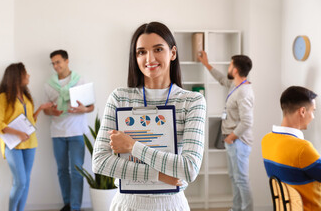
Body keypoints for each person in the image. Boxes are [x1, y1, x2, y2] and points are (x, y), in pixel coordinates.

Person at [92, 22, 206, 211]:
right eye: (141, 52)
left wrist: (131, 145)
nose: (149, 58)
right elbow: (100, 162)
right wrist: (159, 175)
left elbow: (189, 168)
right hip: (127, 204)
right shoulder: (120, 98)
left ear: (173, 53)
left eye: (158, 49)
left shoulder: (192, 101)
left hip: (171, 205)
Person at [198, 51, 254, 211]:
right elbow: (222, 79)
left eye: (230, 65)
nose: (228, 68)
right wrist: (206, 63)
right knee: (235, 178)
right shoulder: (236, 85)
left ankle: (247, 209)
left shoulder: (244, 91)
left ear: (235, 70)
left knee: (241, 179)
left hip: (239, 142)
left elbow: (247, 121)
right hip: (233, 141)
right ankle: (237, 208)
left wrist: (231, 137)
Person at [0, 62, 53, 211]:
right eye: (26, 73)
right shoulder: (2, 98)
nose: (28, 75)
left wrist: (40, 109)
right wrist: (17, 133)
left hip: (30, 143)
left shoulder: (26, 96)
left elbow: (29, 121)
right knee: (20, 182)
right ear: (17, 76)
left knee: (25, 183)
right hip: (13, 145)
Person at [43, 50, 94, 211]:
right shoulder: (48, 85)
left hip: (77, 132)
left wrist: (82, 110)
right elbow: (46, 110)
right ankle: (67, 204)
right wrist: (52, 111)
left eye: (58, 62)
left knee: (77, 171)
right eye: (53, 63)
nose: (56, 66)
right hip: (57, 133)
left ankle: (76, 207)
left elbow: (91, 107)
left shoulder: (80, 81)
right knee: (62, 171)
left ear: (67, 61)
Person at [262, 86, 320, 211]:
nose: (313, 117)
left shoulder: (266, 140)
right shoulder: (303, 149)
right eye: (313, 111)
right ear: (302, 111)